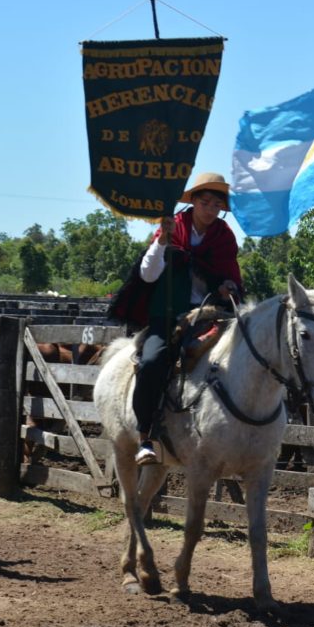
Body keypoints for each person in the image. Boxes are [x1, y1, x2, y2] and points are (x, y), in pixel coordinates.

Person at [113, 172, 243, 465]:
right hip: (168, 315)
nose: (210, 210)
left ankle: (230, 432)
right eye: (205, 202)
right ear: (193, 201)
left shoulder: (223, 237)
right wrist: (162, 241)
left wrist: (227, 286)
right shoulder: (173, 227)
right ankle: (145, 436)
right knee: (152, 361)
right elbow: (148, 275)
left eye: (216, 205)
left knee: (240, 356)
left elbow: (231, 275)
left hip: (210, 315)